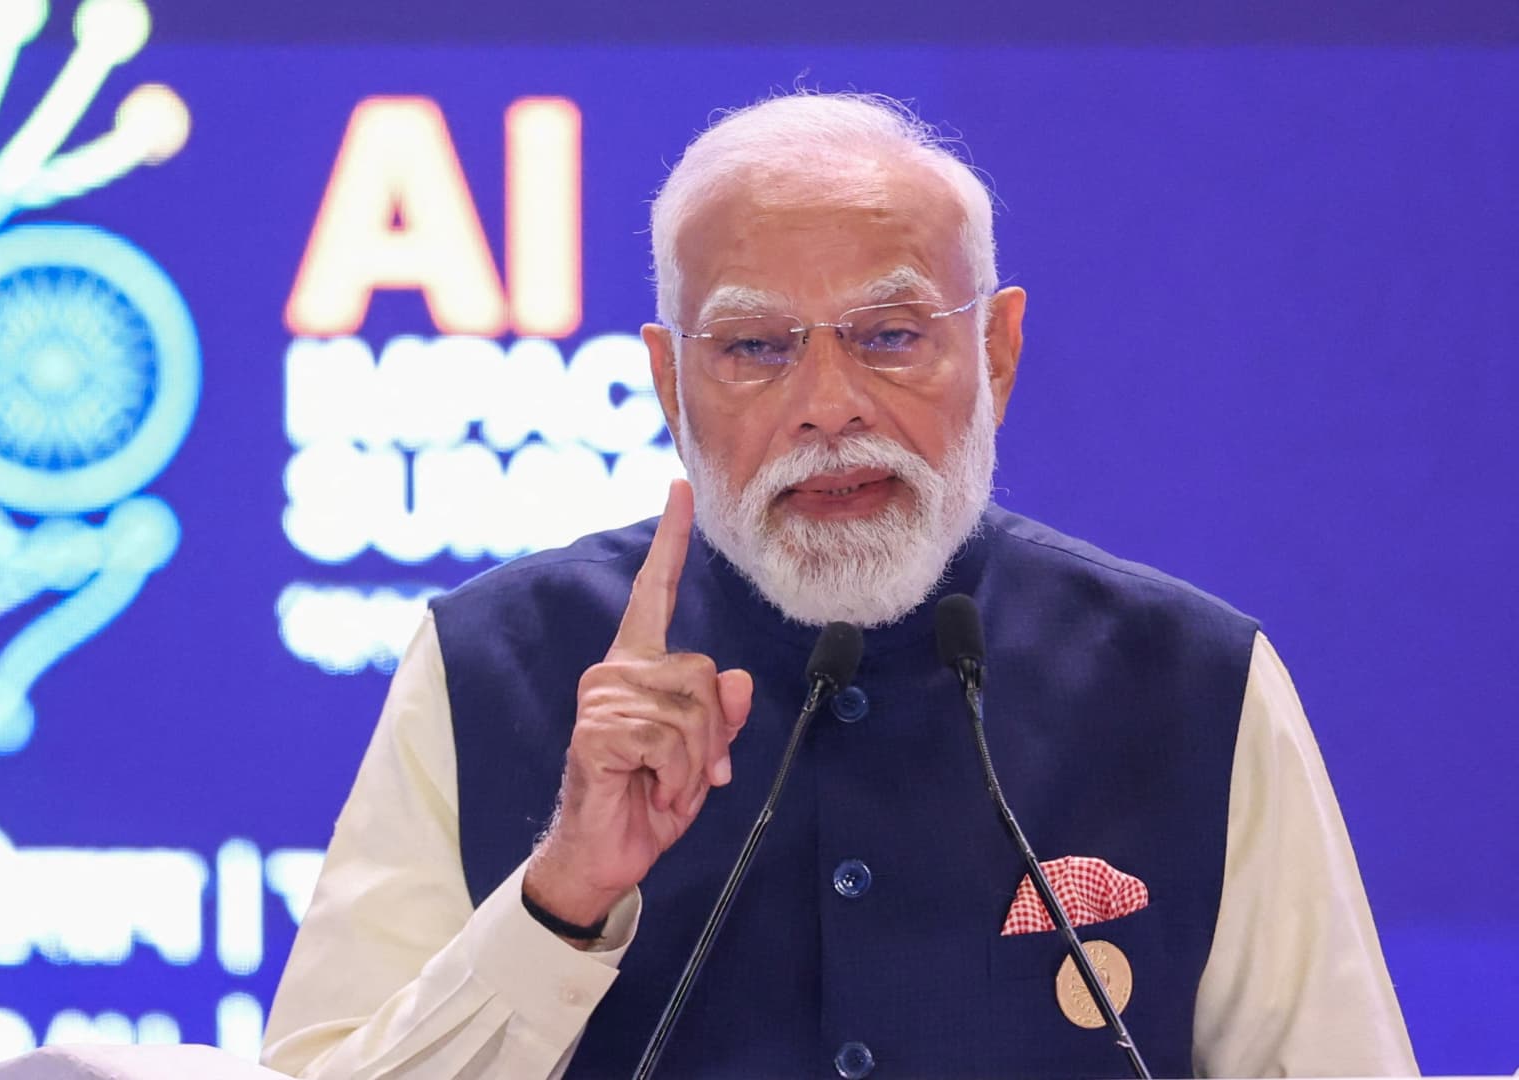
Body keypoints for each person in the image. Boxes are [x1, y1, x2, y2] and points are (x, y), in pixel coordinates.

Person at [261, 92, 1417, 1079]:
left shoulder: (1196, 685)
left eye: (890, 336)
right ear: (668, 384)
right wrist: (558, 899)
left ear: (997, 353)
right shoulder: (489, 662)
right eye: (755, 348)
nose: (828, 406)